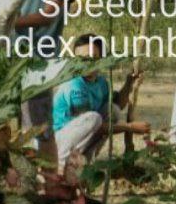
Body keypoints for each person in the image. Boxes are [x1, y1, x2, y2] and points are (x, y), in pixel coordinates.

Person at [13, 0, 75, 162]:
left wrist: (9, 23)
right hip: (13, 51)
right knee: (15, 123)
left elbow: (50, 14)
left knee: (40, 126)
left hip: (39, 56)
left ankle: (49, 186)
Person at [52, 34, 151, 170]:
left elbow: (118, 106)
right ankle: (62, 163)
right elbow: (93, 124)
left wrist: (129, 83)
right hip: (58, 142)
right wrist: (130, 127)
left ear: (101, 59)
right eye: (81, 59)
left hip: (79, 139)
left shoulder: (101, 83)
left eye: (93, 58)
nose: (87, 63)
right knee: (95, 118)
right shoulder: (74, 85)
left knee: (113, 110)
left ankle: (86, 161)